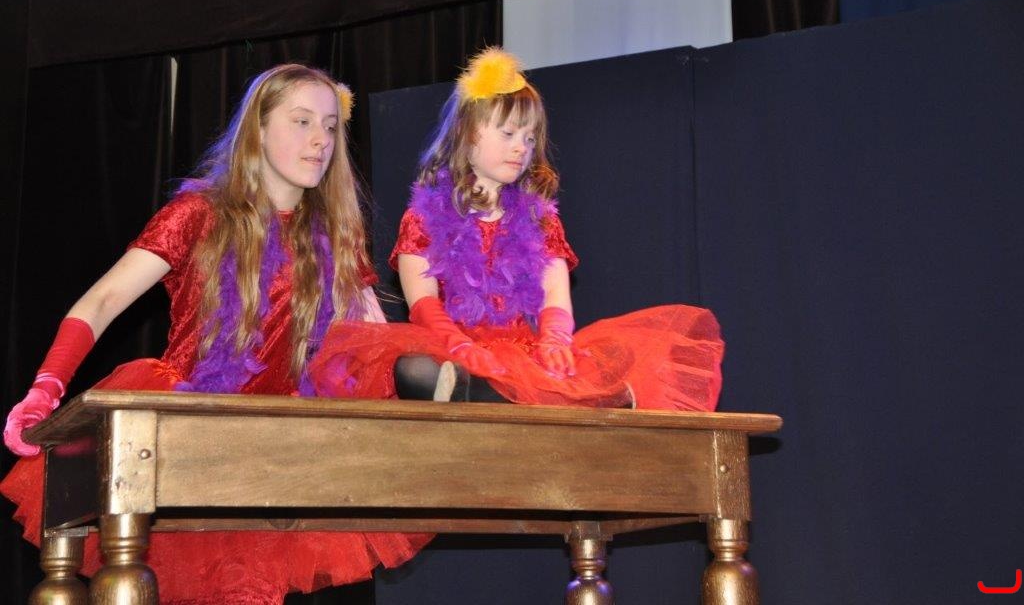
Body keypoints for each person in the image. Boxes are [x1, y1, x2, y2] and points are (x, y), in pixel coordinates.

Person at [1, 64, 429, 603]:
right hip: (186, 432)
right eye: (302, 121)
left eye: (329, 126)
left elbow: (372, 338)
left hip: (278, 441)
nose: (321, 139)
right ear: (258, 129)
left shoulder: (334, 233)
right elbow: (103, 300)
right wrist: (45, 387)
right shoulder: (198, 213)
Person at [311, 48, 724, 411]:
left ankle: (539, 393)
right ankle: (530, 398)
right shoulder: (422, 218)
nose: (520, 148)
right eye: (508, 133)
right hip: (454, 348)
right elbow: (423, 304)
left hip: (525, 353)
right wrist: (460, 346)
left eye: (529, 138)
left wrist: (555, 342)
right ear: (467, 135)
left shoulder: (540, 219)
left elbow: (556, 296)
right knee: (413, 370)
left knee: (643, 357)